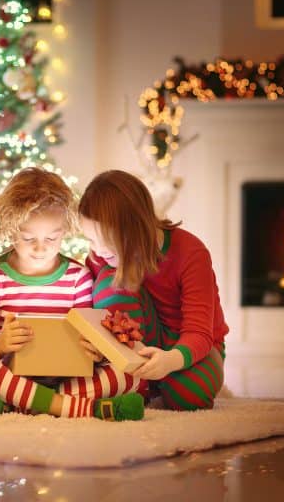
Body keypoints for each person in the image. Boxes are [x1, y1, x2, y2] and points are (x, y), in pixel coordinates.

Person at [0, 167, 145, 421]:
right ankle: (73, 408)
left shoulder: (78, 277)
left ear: (64, 231)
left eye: (52, 238)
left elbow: (93, 342)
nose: (40, 248)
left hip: (67, 379)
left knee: (132, 370)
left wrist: (95, 352)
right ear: (11, 230)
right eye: (28, 238)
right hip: (11, 378)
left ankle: (24, 404)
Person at [78, 170, 227, 411]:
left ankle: (153, 381)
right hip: (139, 342)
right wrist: (94, 345)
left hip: (190, 347)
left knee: (191, 396)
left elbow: (200, 332)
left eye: (106, 238)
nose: (99, 249)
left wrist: (171, 360)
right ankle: (139, 382)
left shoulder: (190, 252)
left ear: (134, 228)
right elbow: (88, 314)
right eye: (91, 239)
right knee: (112, 281)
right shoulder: (100, 255)